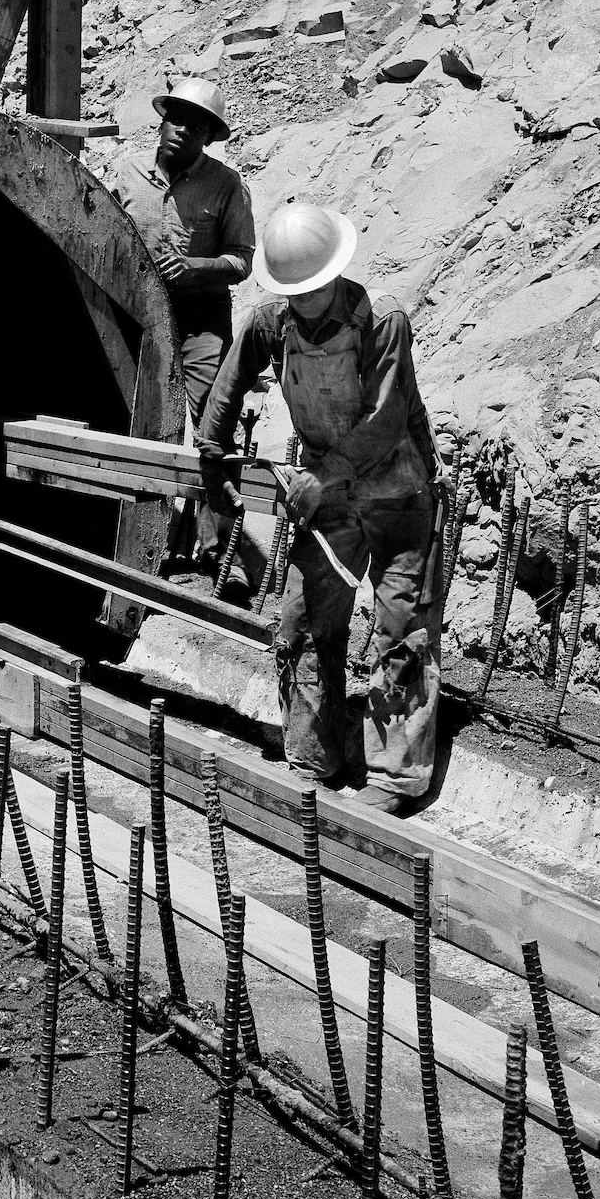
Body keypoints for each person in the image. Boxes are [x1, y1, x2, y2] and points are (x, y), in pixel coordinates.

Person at [197, 204, 440, 813]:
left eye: (315, 290)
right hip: (326, 497)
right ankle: (316, 753)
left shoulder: (382, 321)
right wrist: (211, 454)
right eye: (294, 293)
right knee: (303, 621)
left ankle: (394, 775)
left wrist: (321, 477)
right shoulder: (270, 322)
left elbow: (384, 422)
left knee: (400, 629)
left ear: (336, 273)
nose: (305, 302)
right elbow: (227, 387)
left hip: (397, 494)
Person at [116, 78, 254, 568]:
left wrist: (197, 268)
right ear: (162, 119)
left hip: (201, 316)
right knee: (126, 413)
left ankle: (217, 552)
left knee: (213, 424)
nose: (182, 132)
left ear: (209, 138)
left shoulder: (226, 185)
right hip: (132, 311)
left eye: (196, 128)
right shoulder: (126, 173)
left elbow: (241, 262)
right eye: (177, 120)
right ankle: (129, 534)